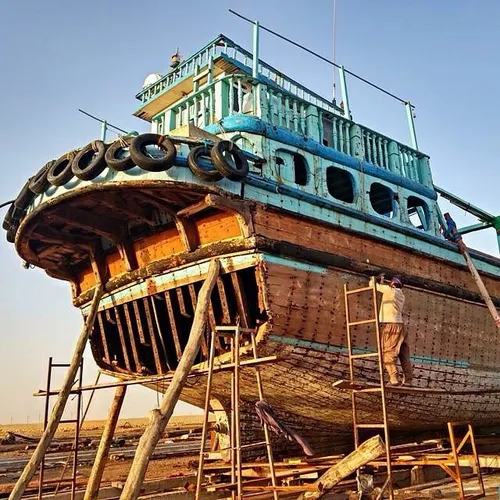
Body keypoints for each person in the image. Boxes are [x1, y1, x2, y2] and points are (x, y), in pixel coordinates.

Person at [369, 274, 413, 386]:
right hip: (400, 326)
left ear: (393, 283)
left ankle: (393, 379)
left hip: (390, 326)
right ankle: (408, 380)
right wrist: (383, 283)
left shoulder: (390, 291)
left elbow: (373, 285)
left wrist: (378, 279)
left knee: (388, 352)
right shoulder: (401, 295)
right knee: (404, 354)